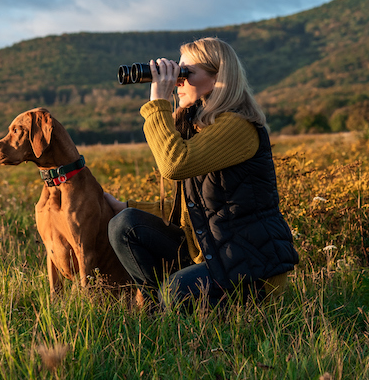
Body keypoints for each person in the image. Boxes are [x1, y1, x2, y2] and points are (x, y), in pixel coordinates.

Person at [104, 37, 299, 310]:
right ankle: (155, 311)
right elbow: (194, 208)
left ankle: (174, 307)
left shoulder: (237, 126)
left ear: (219, 77)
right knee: (125, 224)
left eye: (185, 74)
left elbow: (174, 164)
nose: (177, 82)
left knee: (175, 290)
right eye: (177, 74)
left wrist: (158, 101)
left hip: (249, 266)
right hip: (211, 253)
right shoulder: (195, 125)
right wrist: (126, 206)